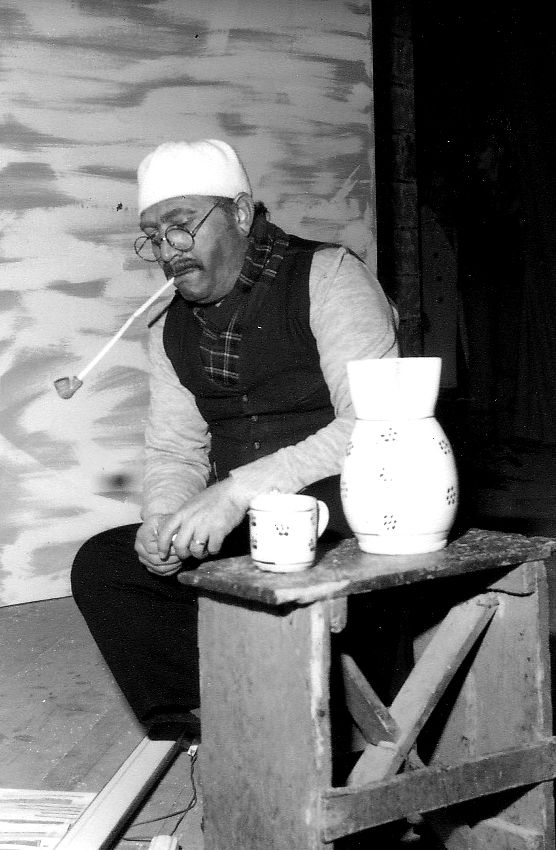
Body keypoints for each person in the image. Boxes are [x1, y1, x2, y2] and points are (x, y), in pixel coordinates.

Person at [71, 138, 399, 729]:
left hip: (347, 511)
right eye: (153, 236)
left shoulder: (329, 277)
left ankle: (307, 718)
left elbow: (374, 425)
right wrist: (163, 521)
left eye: (181, 226)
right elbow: (176, 449)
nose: (167, 250)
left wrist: (236, 493)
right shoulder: (167, 328)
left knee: (307, 568)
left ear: (242, 214)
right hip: (252, 524)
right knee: (106, 566)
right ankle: (219, 725)